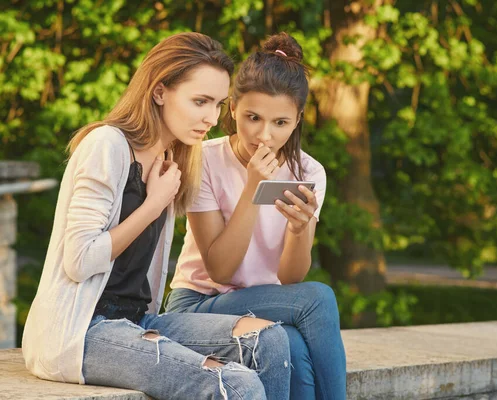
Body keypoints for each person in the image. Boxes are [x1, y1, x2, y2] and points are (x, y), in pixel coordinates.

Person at [22, 32, 291, 400]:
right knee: (236, 385)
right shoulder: (106, 145)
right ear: (160, 91)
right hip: (81, 330)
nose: (211, 118)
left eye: (217, 104)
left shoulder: (174, 161)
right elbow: (79, 260)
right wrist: (153, 205)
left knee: (270, 340)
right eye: (200, 101)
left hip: (135, 322)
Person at [165, 32, 346, 399]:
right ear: (232, 108)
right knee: (319, 298)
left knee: (293, 344)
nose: (264, 135)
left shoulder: (309, 173)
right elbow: (221, 270)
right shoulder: (204, 160)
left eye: (280, 122)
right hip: (199, 303)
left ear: (296, 121)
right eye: (253, 117)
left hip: (268, 306)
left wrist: (299, 229)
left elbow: (290, 277)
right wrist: (252, 188)